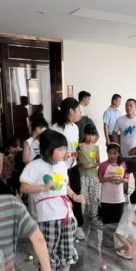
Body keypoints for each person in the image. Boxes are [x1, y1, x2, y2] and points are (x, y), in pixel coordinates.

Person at [19, 130, 84, 271]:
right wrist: (42, 188)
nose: (64, 153)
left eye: (65, 149)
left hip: (66, 212)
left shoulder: (62, 165)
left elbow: (64, 184)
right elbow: (24, 187)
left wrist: (74, 195)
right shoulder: (34, 166)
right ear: (48, 149)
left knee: (68, 247)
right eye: (60, 149)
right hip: (48, 215)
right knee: (47, 250)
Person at [51, 98, 86, 240]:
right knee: (60, 195)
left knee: (76, 194)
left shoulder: (75, 127)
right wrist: (60, 154)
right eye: (78, 110)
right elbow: (49, 149)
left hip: (73, 166)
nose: (80, 113)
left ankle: (78, 225)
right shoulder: (55, 128)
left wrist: (78, 148)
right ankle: (60, 225)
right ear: (71, 111)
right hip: (58, 168)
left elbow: (73, 146)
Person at [98, 143, 129, 225]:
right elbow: (99, 179)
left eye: (114, 153)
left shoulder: (123, 165)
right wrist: (108, 179)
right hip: (106, 199)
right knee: (107, 223)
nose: (112, 155)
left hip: (119, 199)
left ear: (119, 154)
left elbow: (127, 179)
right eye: (110, 153)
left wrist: (121, 180)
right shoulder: (103, 165)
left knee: (118, 224)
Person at [77, 125, 101, 227]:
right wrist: (80, 164)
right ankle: (80, 217)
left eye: (93, 135)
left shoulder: (96, 148)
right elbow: (75, 160)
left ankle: (94, 216)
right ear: (84, 135)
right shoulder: (80, 146)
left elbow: (98, 162)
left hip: (93, 176)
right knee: (82, 196)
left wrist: (92, 165)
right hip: (82, 176)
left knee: (94, 196)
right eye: (89, 135)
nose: (91, 137)